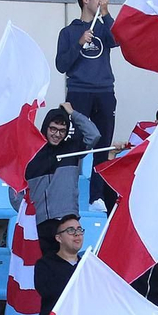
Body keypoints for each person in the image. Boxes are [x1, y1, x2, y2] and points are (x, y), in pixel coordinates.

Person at [56, 0, 121, 212]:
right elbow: (61, 65)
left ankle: (97, 197)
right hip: (79, 91)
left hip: (104, 91)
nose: (102, 1)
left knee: (102, 145)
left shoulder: (103, 28)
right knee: (74, 145)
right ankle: (67, 194)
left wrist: (106, 13)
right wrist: (79, 44)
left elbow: (117, 40)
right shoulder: (69, 32)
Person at [23, 105, 100, 250]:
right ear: (45, 127)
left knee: (68, 265)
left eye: (62, 130)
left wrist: (72, 113)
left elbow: (93, 134)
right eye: (53, 129)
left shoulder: (72, 148)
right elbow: (16, 189)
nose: (57, 134)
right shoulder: (31, 153)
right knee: (44, 268)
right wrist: (27, 213)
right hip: (40, 223)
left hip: (68, 221)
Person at [34, 215, 81, 315]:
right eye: (70, 230)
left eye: (79, 229)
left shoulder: (87, 265)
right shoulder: (44, 265)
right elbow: (50, 292)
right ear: (59, 238)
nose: (77, 233)